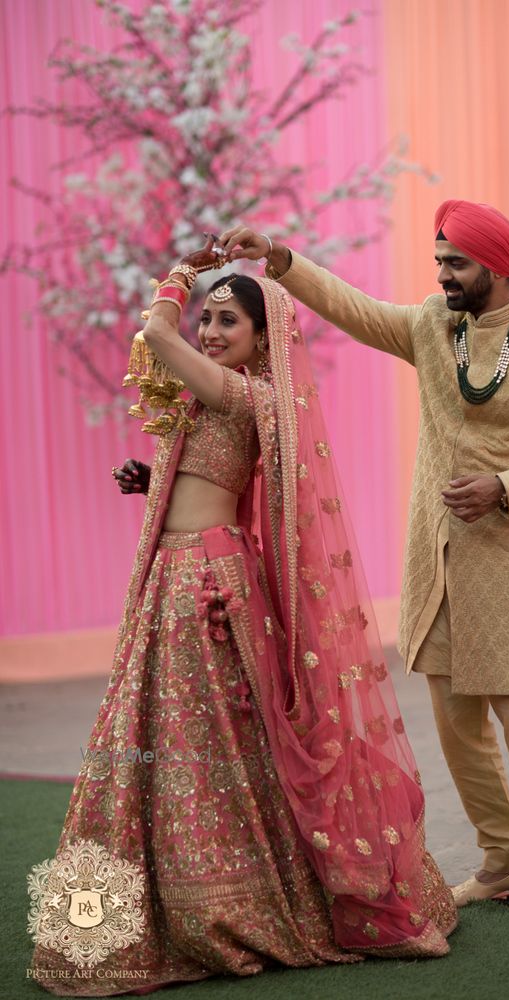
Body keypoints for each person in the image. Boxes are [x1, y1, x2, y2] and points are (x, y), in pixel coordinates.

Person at [29, 239, 457, 997]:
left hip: (205, 581)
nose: (209, 332)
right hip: (176, 571)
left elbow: (155, 334)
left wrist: (180, 277)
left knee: (200, 739)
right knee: (178, 739)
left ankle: (236, 903)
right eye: (207, 320)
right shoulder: (215, 394)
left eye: (227, 321)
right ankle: (188, 897)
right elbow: (201, 460)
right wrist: (149, 480)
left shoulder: (248, 395)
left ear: (263, 339)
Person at [216, 200, 509, 924]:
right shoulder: (434, 328)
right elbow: (356, 309)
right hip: (434, 560)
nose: (443, 275)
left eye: (455, 263)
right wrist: (276, 257)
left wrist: (505, 488)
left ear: (495, 266)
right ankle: (501, 860)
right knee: (456, 726)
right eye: (438, 262)